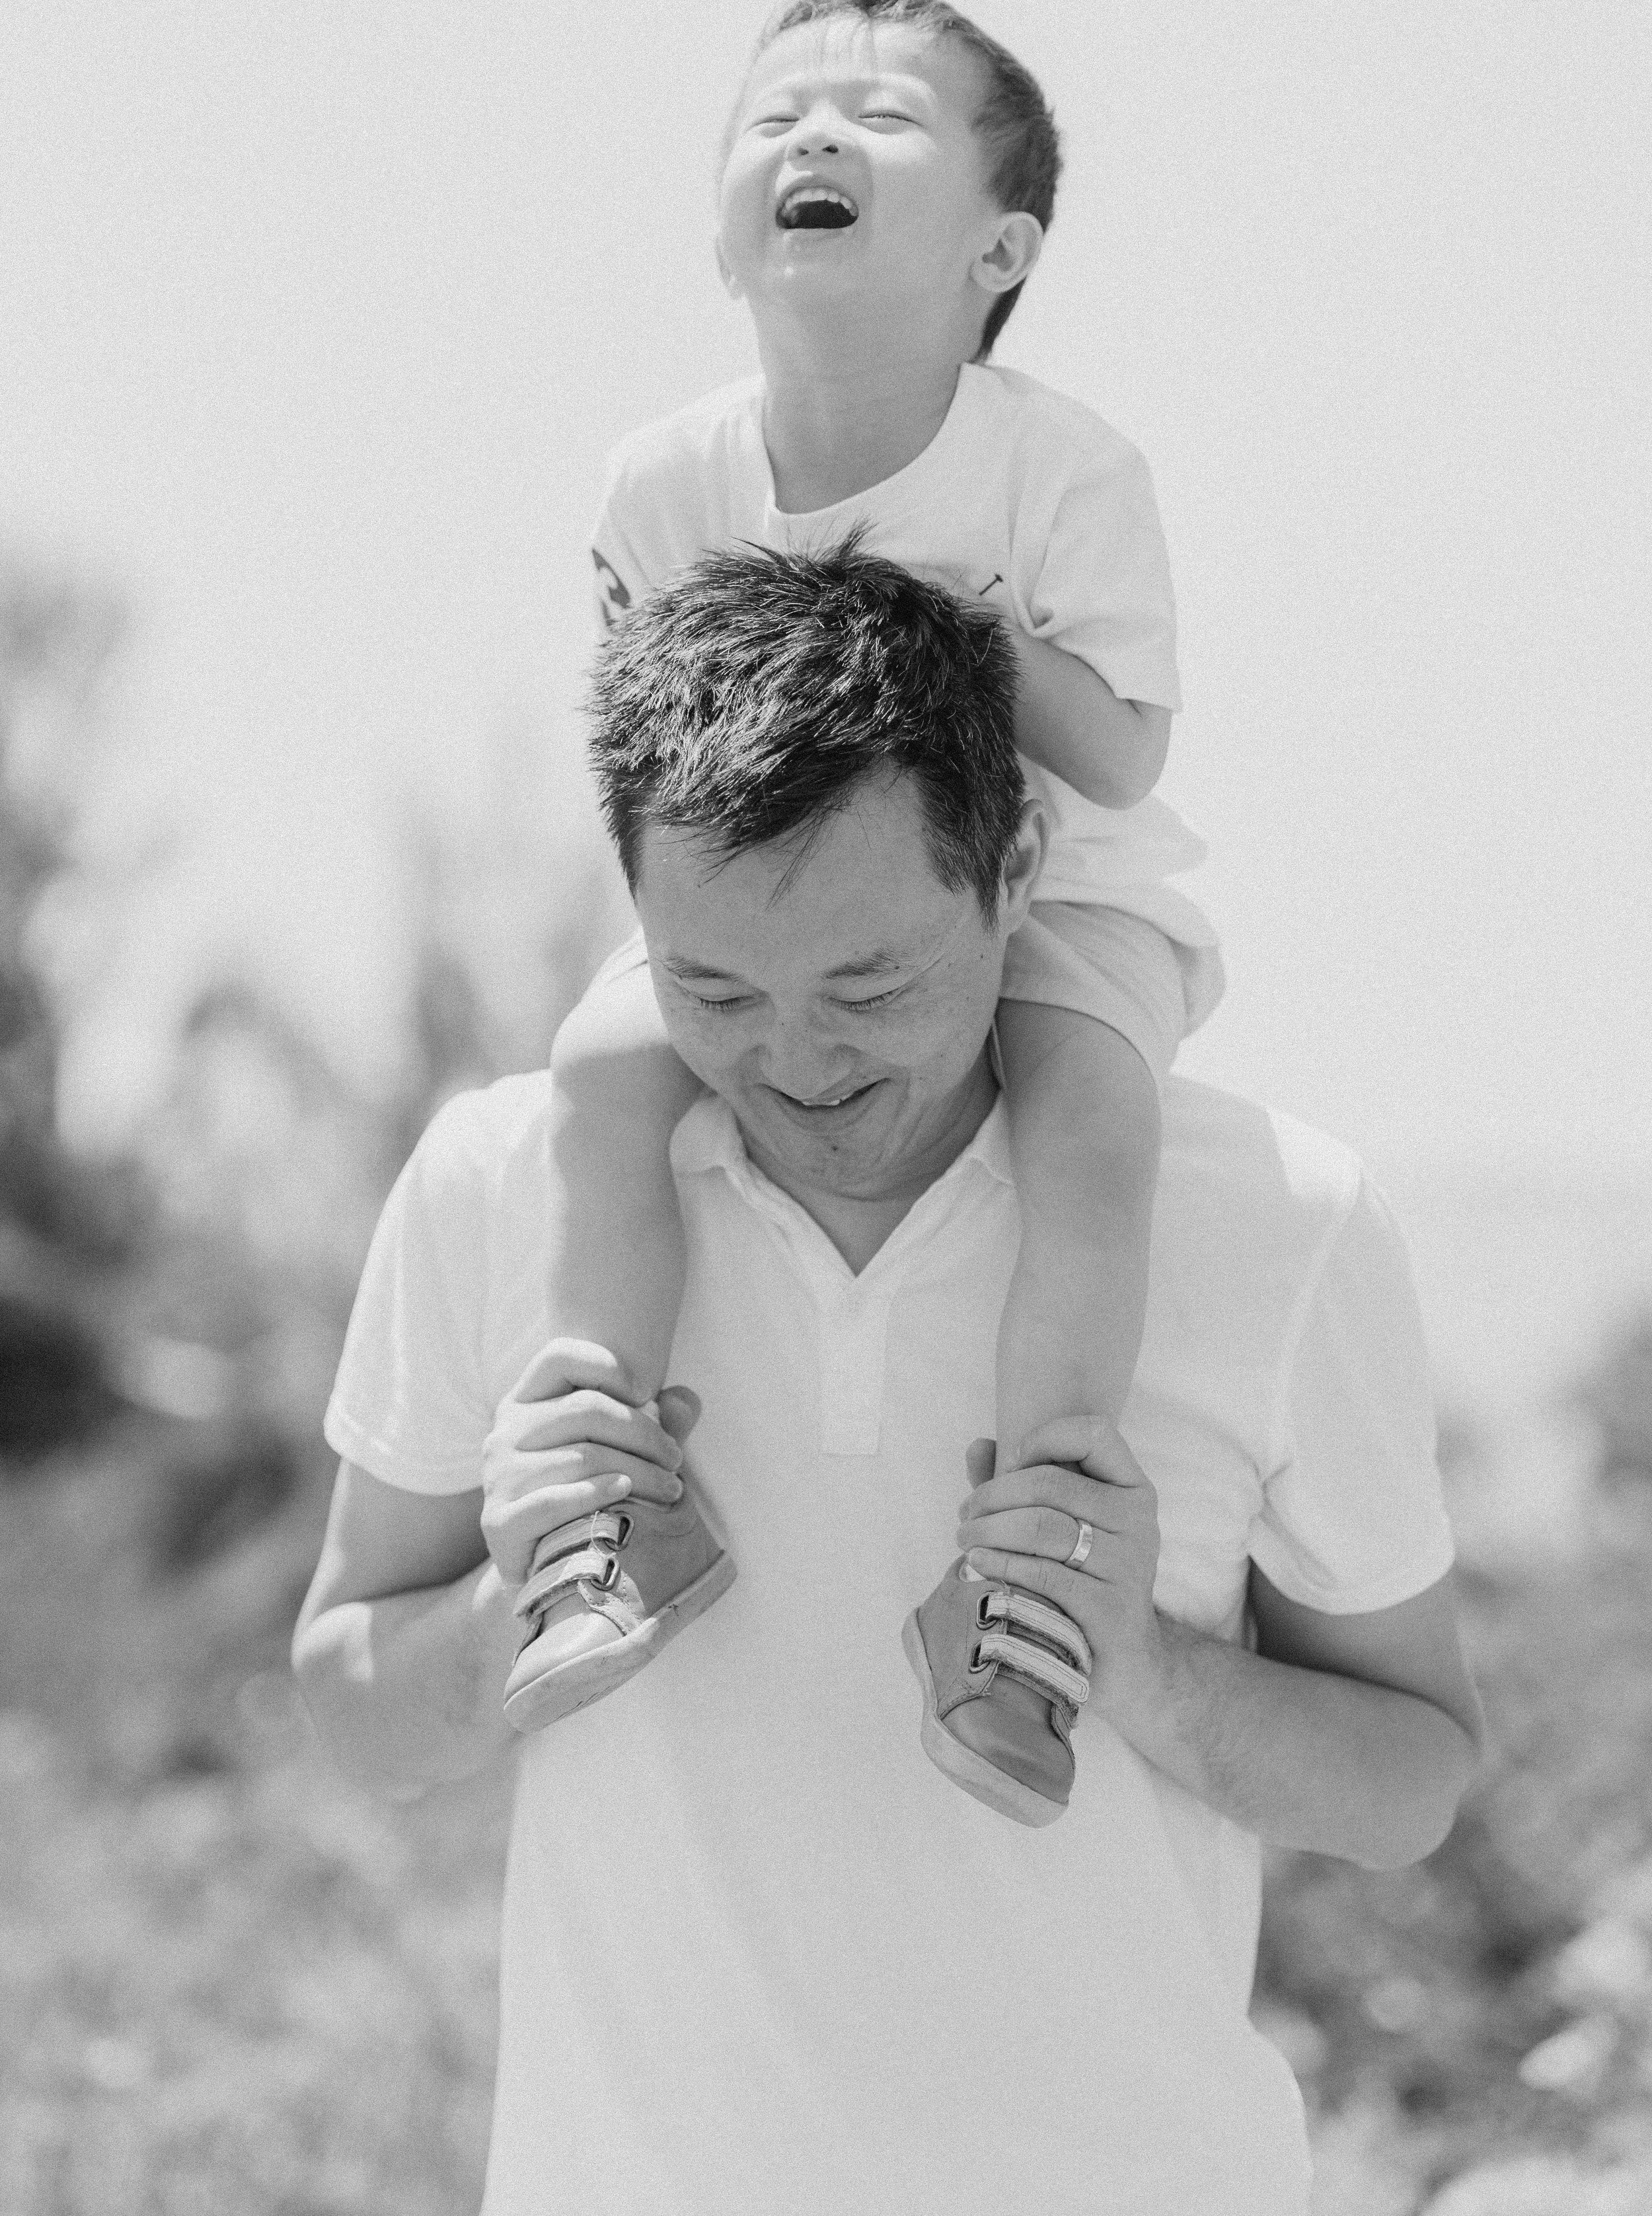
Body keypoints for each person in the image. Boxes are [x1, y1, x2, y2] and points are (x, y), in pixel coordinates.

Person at [293, 543, 1483, 2216]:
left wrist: (1136, 1665)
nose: (797, 1059)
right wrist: (508, 1605)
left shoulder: (1276, 1221)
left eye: (870, 983)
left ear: (1013, 867)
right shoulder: (506, 1186)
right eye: (710, 988)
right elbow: (350, 1710)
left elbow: (1413, 1778)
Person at [519, 0, 1225, 1825]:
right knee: (598, 1077)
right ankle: (603, 1508)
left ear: (1000, 248)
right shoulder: (662, 476)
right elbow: (658, 770)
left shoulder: (1058, 468)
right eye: (776, 116)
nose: (814, 134)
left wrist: (946, 612)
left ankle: (1019, 1583)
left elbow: (1128, 756)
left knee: (1087, 1129)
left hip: (1054, 882)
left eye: (879, 115)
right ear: (725, 234)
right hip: (778, 909)